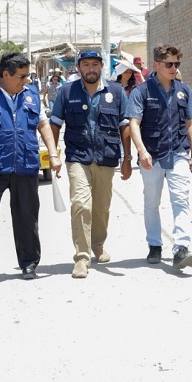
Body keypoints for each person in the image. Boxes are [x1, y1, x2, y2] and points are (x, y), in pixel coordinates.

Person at [0, 52, 61, 290]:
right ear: (5, 74)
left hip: (25, 165)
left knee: (27, 216)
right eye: (21, 76)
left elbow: (43, 123)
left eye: (27, 76)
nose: (26, 80)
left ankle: (29, 264)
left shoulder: (31, 95)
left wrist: (53, 153)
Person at [50, 50, 133, 278]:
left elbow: (124, 125)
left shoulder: (115, 91)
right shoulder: (67, 91)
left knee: (101, 207)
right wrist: (53, 154)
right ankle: (82, 257)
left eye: (95, 64)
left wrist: (127, 159)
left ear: (102, 66)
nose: (90, 69)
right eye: (85, 64)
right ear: (78, 67)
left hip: (106, 157)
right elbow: (55, 123)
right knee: (81, 204)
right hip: (78, 156)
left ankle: (97, 243)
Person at [128, 44, 192, 270]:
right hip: (152, 155)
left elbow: (190, 124)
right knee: (152, 202)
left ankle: (181, 247)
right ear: (156, 65)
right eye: (169, 64)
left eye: (177, 64)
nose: (173, 68)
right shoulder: (142, 91)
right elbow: (133, 123)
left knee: (181, 200)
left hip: (177, 152)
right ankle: (155, 244)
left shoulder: (183, 89)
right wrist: (141, 151)